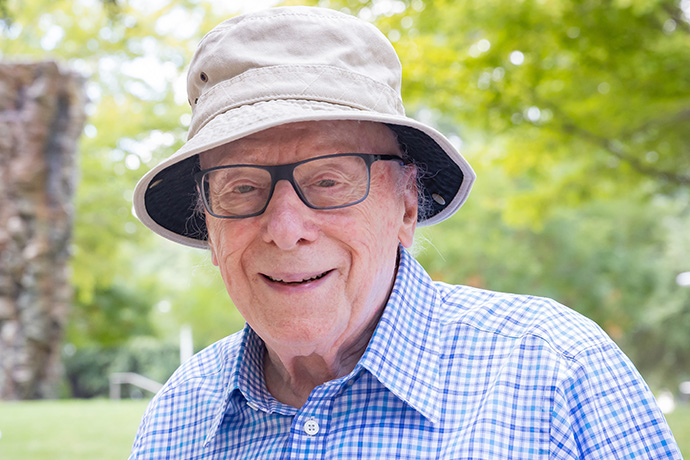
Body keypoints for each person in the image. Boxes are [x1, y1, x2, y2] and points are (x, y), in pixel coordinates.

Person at [129, 6, 682, 459]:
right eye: (242, 189)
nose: (285, 229)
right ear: (209, 222)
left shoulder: (558, 371)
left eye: (328, 180)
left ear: (408, 206)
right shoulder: (180, 414)